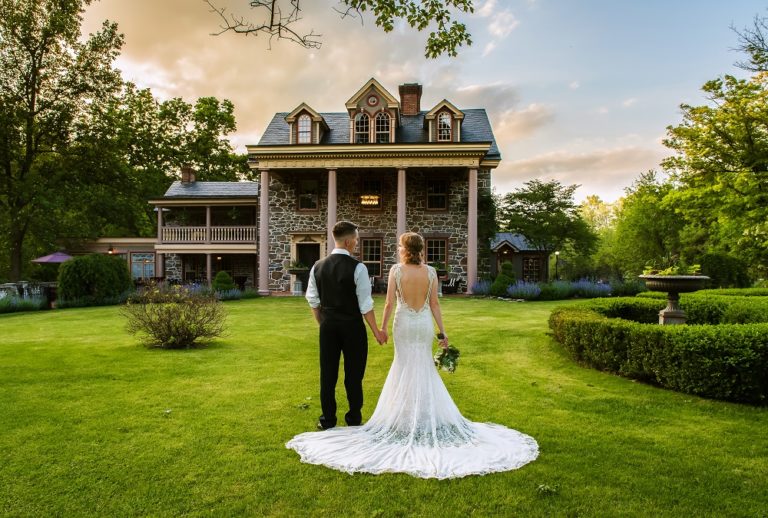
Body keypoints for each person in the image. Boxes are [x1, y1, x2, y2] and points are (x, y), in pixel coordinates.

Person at [287, 232, 539, 479]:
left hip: (404, 325)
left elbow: (388, 304)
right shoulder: (431, 273)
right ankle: (421, 414)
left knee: (404, 365)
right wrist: (442, 333)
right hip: (423, 326)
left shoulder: (396, 271)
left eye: (399, 246)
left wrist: (382, 329)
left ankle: (404, 416)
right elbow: (435, 305)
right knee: (423, 366)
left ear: (406, 250)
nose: (397, 249)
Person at [304, 221, 385, 431]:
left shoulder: (317, 266)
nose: (356, 244)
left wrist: (323, 323)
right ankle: (354, 418)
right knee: (354, 374)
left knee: (327, 374)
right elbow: (365, 305)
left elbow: (312, 300)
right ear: (349, 242)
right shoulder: (359, 267)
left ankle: (328, 419)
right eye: (356, 240)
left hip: (328, 326)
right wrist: (377, 332)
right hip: (352, 328)